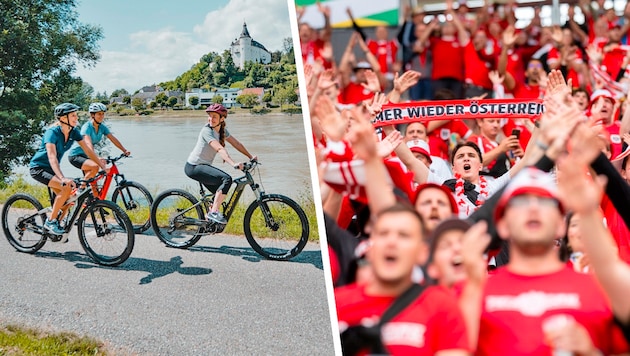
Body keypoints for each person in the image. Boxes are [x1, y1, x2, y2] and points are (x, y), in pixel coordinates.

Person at [474, 167, 629, 354]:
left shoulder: (601, 290)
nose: (533, 209)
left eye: (544, 203)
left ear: (560, 225)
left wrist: (591, 352)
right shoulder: (474, 295)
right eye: (520, 203)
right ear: (503, 225)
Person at [334, 204, 470, 355]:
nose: (391, 242)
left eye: (404, 235)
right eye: (383, 234)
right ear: (370, 248)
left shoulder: (443, 307)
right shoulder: (336, 303)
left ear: (422, 253)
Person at [29, 103, 107, 238]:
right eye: (73, 115)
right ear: (63, 118)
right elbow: (52, 157)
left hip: (53, 170)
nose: (76, 118)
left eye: (76, 115)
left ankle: (56, 227)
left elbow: (88, 150)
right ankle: (50, 222)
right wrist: (62, 178)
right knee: (65, 187)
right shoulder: (52, 133)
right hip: (39, 168)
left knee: (70, 198)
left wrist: (101, 165)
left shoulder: (73, 131)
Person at [185, 103, 255, 224]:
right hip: (194, 167)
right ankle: (213, 213)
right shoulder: (206, 131)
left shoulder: (222, 131)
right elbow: (219, 149)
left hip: (203, 166)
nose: (210, 119)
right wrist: (233, 163)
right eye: (209, 116)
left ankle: (209, 220)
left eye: (214, 117)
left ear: (222, 119)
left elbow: (236, 144)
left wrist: (251, 156)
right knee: (226, 179)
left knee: (219, 192)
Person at [67, 102, 130, 194]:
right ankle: (81, 188)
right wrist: (97, 158)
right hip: (76, 156)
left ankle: (95, 206)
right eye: (99, 114)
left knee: (95, 191)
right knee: (96, 166)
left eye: (103, 114)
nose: (101, 116)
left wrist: (124, 150)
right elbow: (88, 145)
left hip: (87, 156)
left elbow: (113, 139)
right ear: (93, 115)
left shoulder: (102, 127)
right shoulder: (87, 127)